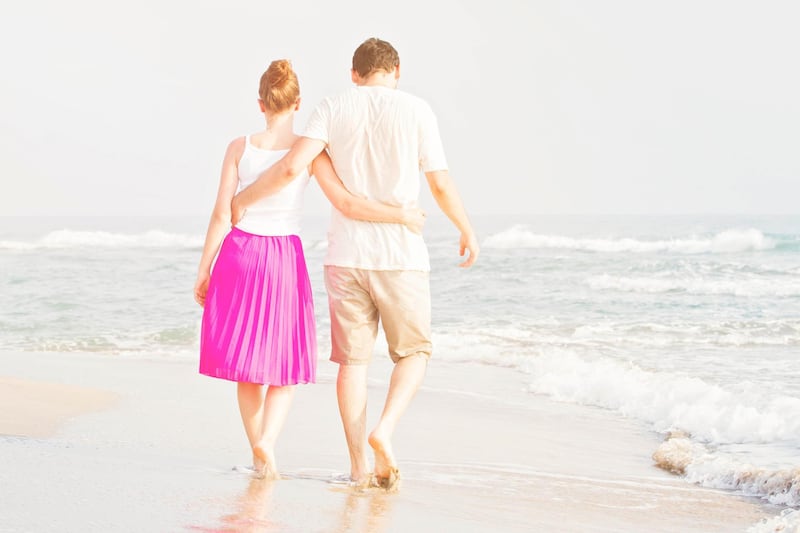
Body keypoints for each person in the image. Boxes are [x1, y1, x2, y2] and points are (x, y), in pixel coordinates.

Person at [231, 38, 480, 489]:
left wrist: (242, 199)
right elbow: (440, 183)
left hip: (345, 257)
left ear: (354, 73)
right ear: (397, 70)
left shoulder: (332, 106)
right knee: (414, 352)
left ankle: (358, 468)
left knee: (353, 365)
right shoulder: (418, 111)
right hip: (400, 257)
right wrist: (465, 227)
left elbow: (291, 168)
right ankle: (383, 429)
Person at [193, 59, 425, 479]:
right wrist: (400, 215)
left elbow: (220, 213)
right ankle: (268, 440)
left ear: (260, 102)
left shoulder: (239, 147)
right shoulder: (310, 149)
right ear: (297, 103)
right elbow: (347, 202)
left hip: (240, 253)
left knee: (248, 365)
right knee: (282, 364)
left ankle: (256, 452)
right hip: (282, 258)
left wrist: (204, 267)